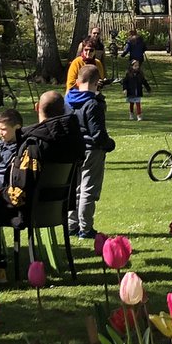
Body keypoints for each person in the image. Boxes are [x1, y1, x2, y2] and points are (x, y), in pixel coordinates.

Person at [0, 91, 84, 280]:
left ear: (37, 109)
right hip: (53, 208)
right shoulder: (71, 140)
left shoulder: (34, 143)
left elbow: (18, 192)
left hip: (22, 208)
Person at [66, 65, 115, 239]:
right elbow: (98, 134)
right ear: (97, 82)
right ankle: (86, 229)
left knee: (75, 188)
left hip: (72, 149)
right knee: (88, 189)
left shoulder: (67, 100)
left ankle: (72, 224)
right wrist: (109, 144)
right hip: (91, 150)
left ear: (78, 81)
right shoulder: (93, 104)